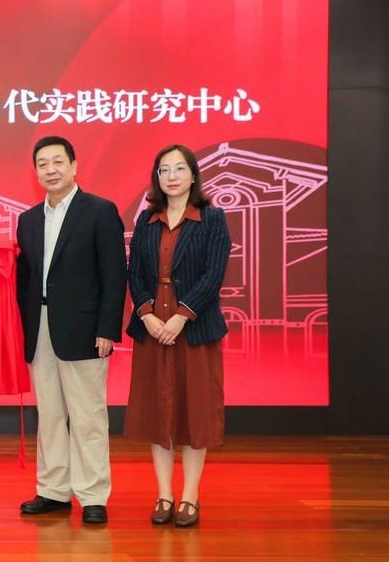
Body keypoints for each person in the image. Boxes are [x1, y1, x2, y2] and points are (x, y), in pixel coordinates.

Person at [16, 136, 127, 524]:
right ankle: (53, 490)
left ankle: (93, 494)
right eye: (42, 164)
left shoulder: (99, 211)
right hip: (40, 327)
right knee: (49, 415)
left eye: (57, 162)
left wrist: (107, 328)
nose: (50, 170)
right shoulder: (28, 220)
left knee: (87, 416)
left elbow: (114, 275)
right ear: (35, 171)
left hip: (85, 328)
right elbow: (25, 281)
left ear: (74, 166)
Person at [123, 144, 231, 527]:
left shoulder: (212, 219)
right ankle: (164, 494)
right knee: (159, 412)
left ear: (193, 174)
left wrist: (182, 316)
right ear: (157, 177)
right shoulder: (147, 219)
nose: (171, 176)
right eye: (164, 169)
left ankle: (190, 496)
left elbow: (213, 275)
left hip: (194, 329)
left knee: (194, 412)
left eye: (179, 168)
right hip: (153, 328)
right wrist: (147, 313)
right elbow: (135, 273)